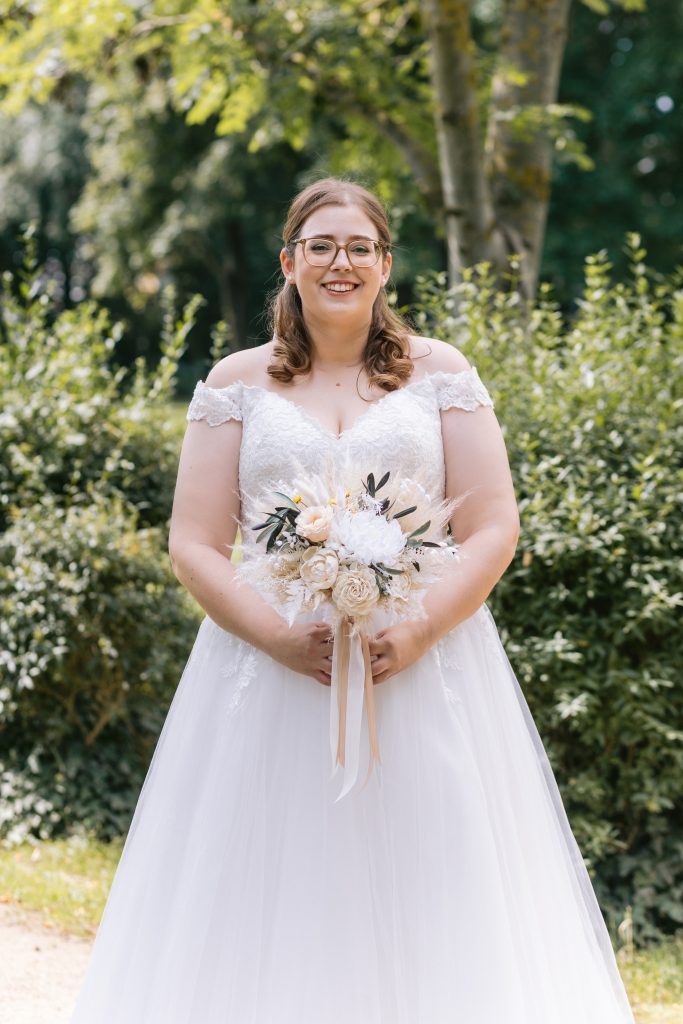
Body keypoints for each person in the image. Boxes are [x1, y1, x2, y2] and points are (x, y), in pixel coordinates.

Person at [70, 177, 635, 1023]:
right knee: (265, 876)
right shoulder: (235, 383)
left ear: (385, 265)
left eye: (360, 247)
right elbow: (192, 542)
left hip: (422, 667)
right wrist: (276, 638)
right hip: (266, 672)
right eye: (322, 246)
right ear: (290, 262)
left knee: (436, 874)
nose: (342, 263)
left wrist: (415, 630)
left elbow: (492, 527)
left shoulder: (441, 374)